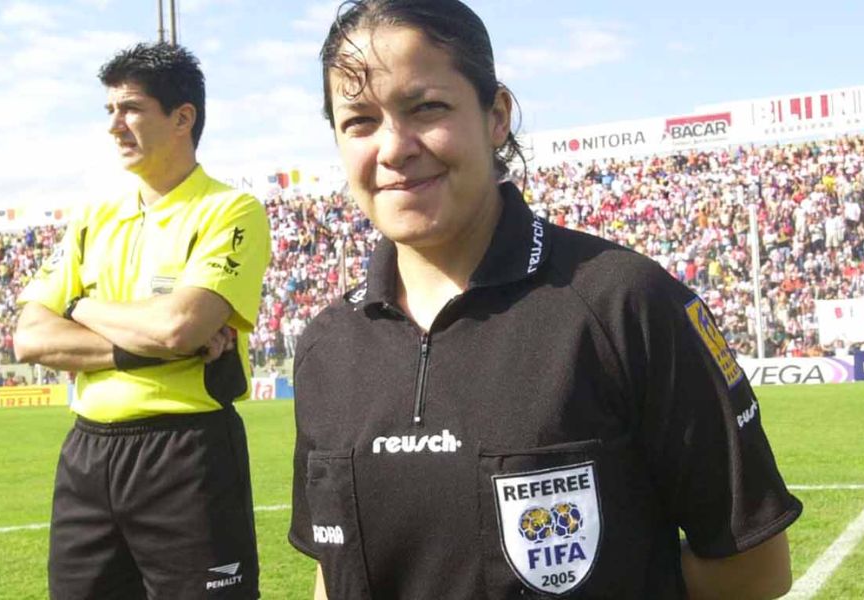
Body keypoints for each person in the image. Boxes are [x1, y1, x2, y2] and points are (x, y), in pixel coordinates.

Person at [288, 1, 802, 598]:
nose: (394, 146)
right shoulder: (327, 344)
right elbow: (333, 577)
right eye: (359, 121)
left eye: (426, 107)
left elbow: (757, 568)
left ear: (497, 115)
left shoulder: (625, 303)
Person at [14, 42, 270, 599]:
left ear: (183, 118)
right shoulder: (92, 216)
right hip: (87, 456)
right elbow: (30, 337)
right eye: (109, 111)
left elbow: (178, 328)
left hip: (185, 453)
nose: (114, 126)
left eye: (130, 108)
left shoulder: (231, 210)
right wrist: (138, 347)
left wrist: (81, 307)